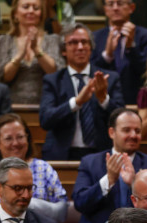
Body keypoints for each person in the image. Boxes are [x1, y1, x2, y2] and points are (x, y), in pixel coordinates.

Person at [39, 22, 124, 160]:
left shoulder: (109, 78)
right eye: (73, 42)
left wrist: (104, 100)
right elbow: (45, 119)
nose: (80, 47)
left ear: (91, 48)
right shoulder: (53, 81)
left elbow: (121, 118)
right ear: (63, 50)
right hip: (63, 154)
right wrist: (76, 103)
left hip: (101, 154)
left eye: (84, 42)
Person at [72, 108, 147, 223]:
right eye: (126, 130)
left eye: (137, 131)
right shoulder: (89, 163)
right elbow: (80, 203)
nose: (133, 135)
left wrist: (134, 183)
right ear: (112, 132)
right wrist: (109, 180)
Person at [0, 113, 67, 223]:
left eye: (20, 137)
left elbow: (61, 213)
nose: (15, 143)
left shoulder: (44, 169)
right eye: (8, 138)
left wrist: (30, 204)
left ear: (27, 138)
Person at [0, 0, 65, 104]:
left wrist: (37, 50)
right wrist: (19, 55)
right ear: (15, 14)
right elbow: (2, 77)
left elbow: (56, 73)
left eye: (36, 8)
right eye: (26, 7)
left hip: (46, 105)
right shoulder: (5, 40)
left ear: (41, 14)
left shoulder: (53, 40)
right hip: (12, 107)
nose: (31, 11)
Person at [91, 0, 147, 105]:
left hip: (136, 101)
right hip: (103, 103)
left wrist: (131, 48)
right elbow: (90, 72)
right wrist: (107, 55)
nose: (115, 8)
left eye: (120, 3)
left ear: (131, 8)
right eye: (111, 4)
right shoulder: (95, 38)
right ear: (105, 9)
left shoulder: (146, 36)